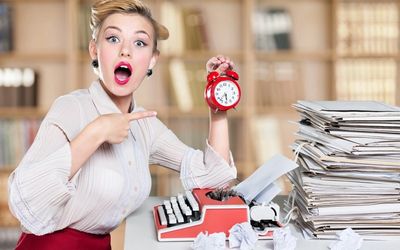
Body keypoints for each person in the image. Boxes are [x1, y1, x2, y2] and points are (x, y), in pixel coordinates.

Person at [8, 0, 238, 249]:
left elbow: (214, 179)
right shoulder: (70, 108)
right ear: (94, 50)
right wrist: (95, 132)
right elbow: (25, 204)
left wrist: (218, 110)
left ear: (152, 60)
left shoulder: (144, 124)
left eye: (139, 43)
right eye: (113, 39)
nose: (125, 51)